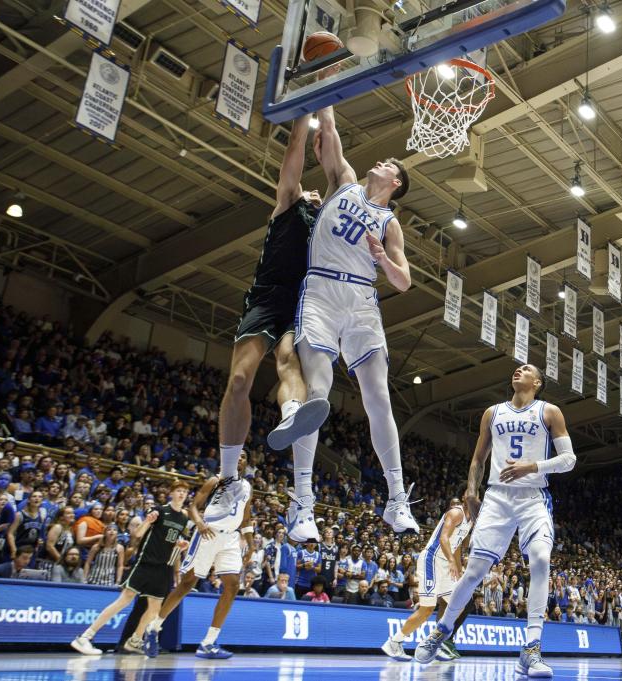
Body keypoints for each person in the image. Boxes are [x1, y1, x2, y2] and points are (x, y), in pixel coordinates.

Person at [287, 102, 418, 540]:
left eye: (385, 164)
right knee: (318, 393)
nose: (376, 163)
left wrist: (382, 259)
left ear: (394, 182)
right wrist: (330, 87)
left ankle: (397, 500)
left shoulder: (389, 223)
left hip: (362, 299)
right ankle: (302, 504)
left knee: (378, 398)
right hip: (321, 290)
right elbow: (329, 124)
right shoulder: (343, 180)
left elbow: (404, 283)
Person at [415, 364, 577, 677]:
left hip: (533, 496)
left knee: (541, 559)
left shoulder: (549, 411)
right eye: (517, 368)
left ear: (537, 382)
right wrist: (472, 491)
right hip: (497, 498)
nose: (519, 369)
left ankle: (531, 649)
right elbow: (478, 459)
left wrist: (532, 467)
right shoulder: (492, 413)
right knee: (474, 570)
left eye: (527, 369)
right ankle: (442, 631)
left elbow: (569, 460)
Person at [212, 112, 330, 541]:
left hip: (300, 304)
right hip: (265, 297)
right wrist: (305, 114)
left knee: (288, 362)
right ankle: (228, 480)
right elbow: (294, 156)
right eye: (311, 192)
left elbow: (340, 182)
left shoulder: (324, 228)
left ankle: (292, 415)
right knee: (240, 378)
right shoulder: (287, 205)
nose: (316, 194)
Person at [141, 455, 254, 660]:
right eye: (236, 454)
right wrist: (200, 523)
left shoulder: (247, 486)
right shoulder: (215, 480)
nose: (239, 458)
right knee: (187, 583)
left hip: (230, 539)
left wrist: (251, 541)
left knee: (233, 585)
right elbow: (193, 506)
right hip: (208, 533)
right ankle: (153, 628)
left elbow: (246, 516)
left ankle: (208, 642)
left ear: (246, 463)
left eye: (243, 457)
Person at [70, 481, 190, 655]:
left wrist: (181, 545)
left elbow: (175, 544)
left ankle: (134, 641)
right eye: (179, 490)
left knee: (155, 610)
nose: (182, 494)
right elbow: (138, 534)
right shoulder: (159, 510)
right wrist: (147, 522)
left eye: (185, 491)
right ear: (171, 493)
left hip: (164, 568)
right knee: (124, 599)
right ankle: (85, 637)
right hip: (146, 563)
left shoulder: (184, 518)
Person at [382, 498, 472, 661]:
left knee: (459, 604)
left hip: (447, 565)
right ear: (467, 498)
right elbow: (443, 539)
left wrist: (459, 569)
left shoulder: (470, 519)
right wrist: (452, 561)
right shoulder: (455, 513)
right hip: (432, 560)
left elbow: (457, 546)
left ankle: (432, 642)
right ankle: (394, 642)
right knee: (427, 609)